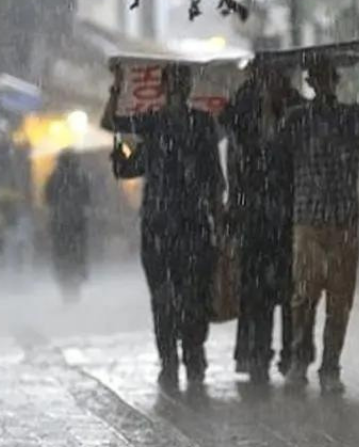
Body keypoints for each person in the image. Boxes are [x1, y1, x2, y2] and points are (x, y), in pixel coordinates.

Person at [102, 64, 224, 389]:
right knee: (163, 297)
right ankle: (169, 359)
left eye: (183, 81)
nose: (179, 87)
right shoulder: (151, 123)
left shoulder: (201, 124)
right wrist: (117, 87)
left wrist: (219, 217)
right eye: (174, 82)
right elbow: (111, 124)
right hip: (159, 224)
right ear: (165, 86)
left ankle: (193, 355)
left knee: (194, 295)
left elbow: (213, 176)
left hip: (194, 223)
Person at [282, 52, 359, 395]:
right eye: (316, 77)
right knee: (304, 295)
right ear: (311, 83)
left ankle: (330, 365)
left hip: (343, 219)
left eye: (327, 77)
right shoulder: (297, 119)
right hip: (309, 220)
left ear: (335, 80)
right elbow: (272, 143)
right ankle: (300, 359)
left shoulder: (350, 117)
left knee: (339, 299)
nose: (323, 83)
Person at [220, 65, 305, 384]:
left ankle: (290, 353)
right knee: (256, 289)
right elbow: (233, 145)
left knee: (288, 289)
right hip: (254, 212)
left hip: (285, 211)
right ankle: (257, 353)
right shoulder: (244, 103)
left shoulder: (295, 105)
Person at [44, 149, 92, 303]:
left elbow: (48, 198)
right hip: (77, 222)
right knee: (77, 254)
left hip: (60, 223)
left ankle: (66, 287)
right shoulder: (81, 176)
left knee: (62, 255)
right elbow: (88, 198)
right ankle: (75, 285)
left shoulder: (54, 177)